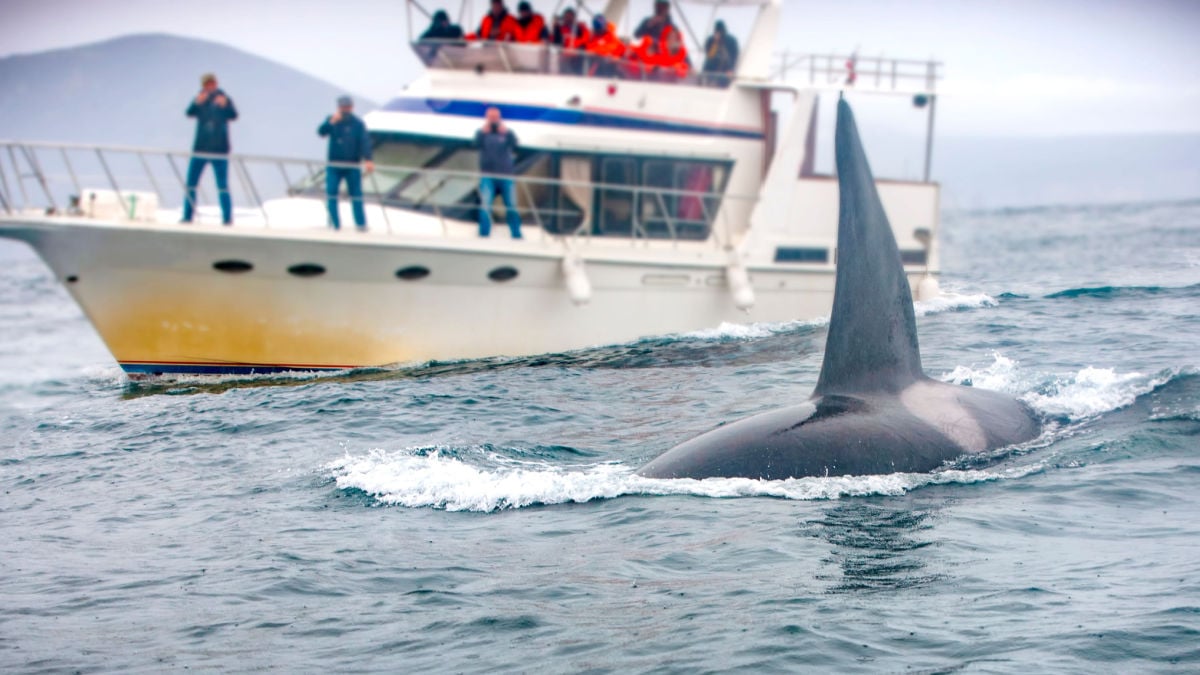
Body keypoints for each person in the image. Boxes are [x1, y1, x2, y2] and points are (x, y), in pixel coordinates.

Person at [182, 73, 237, 225]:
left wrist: (225, 105)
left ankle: (227, 218)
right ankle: (187, 215)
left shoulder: (224, 99)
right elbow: (189, 113)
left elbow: (234, 115)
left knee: (222, 185)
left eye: (212, 84)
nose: (210, 87)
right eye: (207, 85)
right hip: (200, 149)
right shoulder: (201, 99)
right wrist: (197, 103)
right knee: (191, 184)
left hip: (220, 150)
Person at [318, 96, 375, 231]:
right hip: (334, 165)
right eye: (342, 107)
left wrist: (368, 159)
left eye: (347, 107)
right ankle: (334, 224)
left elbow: (364, 142)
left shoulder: (358, 124)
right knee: (331, 193)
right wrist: (331, 122)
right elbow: (321, 132)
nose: (345, 110)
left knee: (356, 195)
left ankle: (360, 225)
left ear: (351, 107)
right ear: (338, 107)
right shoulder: (332, 120)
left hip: (352, 165)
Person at [474, 107, 522, 238]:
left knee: (511, 206)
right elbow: (476, 144)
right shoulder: (482, 133)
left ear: (500, 118)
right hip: (488, 175)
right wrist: (483, 132)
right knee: (485, 206)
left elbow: (515, 145)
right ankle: (484, 233)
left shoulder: (507, 133)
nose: (494, 120)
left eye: (496, 117)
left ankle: (516, 234)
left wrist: (506, 132)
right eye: (491, 117)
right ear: (487, 118)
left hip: (506, 175)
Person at [552, 7, 590, 74]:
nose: (568, 19)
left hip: (577, 57)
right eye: (566, 16)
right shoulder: (559, 29)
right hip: (563, 58)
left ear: (574, 18)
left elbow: (585, 41)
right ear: (563, 18)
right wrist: (555, 28)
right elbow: (556, 43)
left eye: (570, 16)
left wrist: (575, 46)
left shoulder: (580, 29)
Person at [701, 20, 738, 86]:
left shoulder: (731, 41)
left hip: (725, 72)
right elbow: (710, 57)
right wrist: (715, 43)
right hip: (711, 71)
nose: (718, 34)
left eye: (720, 32)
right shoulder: (711, 40)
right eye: (716, 32)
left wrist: (731, 69)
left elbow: (733, 57)